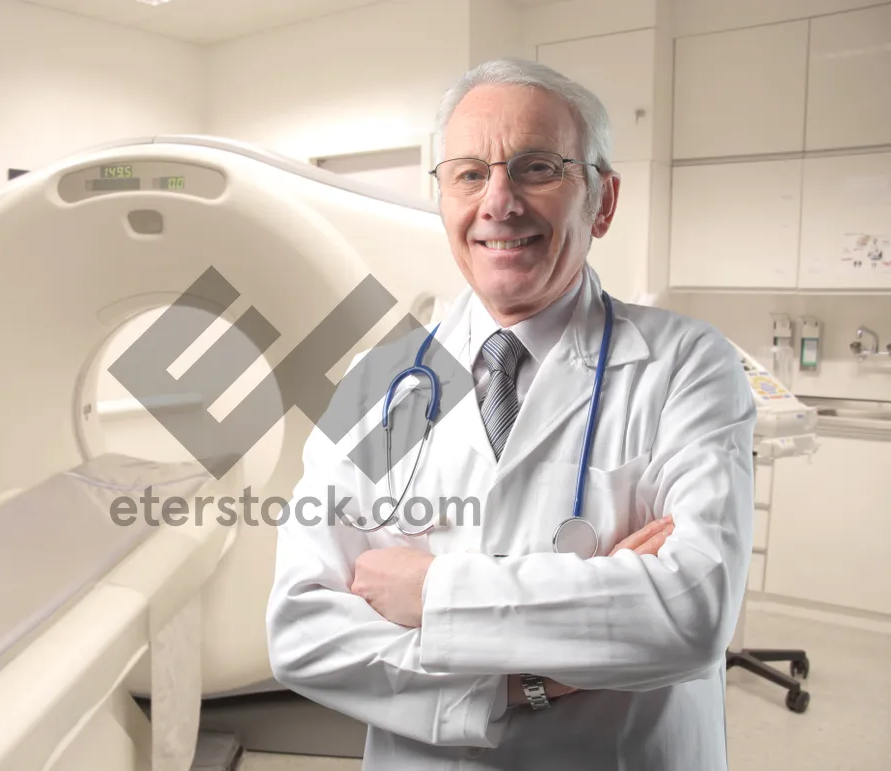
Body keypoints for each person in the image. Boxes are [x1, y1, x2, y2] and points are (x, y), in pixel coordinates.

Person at [265, 58, 755, 770]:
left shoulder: (686, 363)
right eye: (468, 173)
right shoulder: (382, 382)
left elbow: (690, 610)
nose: (499, 201)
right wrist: (521, 685)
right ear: (442, 198)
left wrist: (428, 590)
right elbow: (303, 629)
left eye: (536, 168)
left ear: (603, 201)